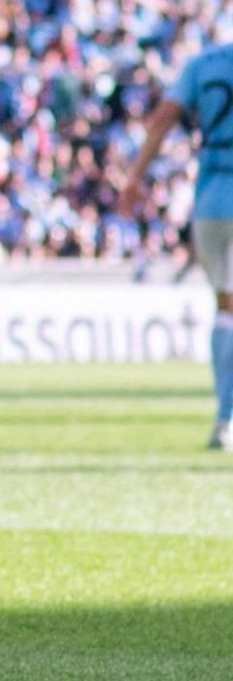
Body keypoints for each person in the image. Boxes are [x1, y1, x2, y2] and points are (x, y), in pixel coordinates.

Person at [117, 41, 233, 450]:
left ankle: (225, 417)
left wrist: (134, 176)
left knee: (226, 305)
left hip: (213, 194)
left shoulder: (203, 64)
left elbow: (165, 117)